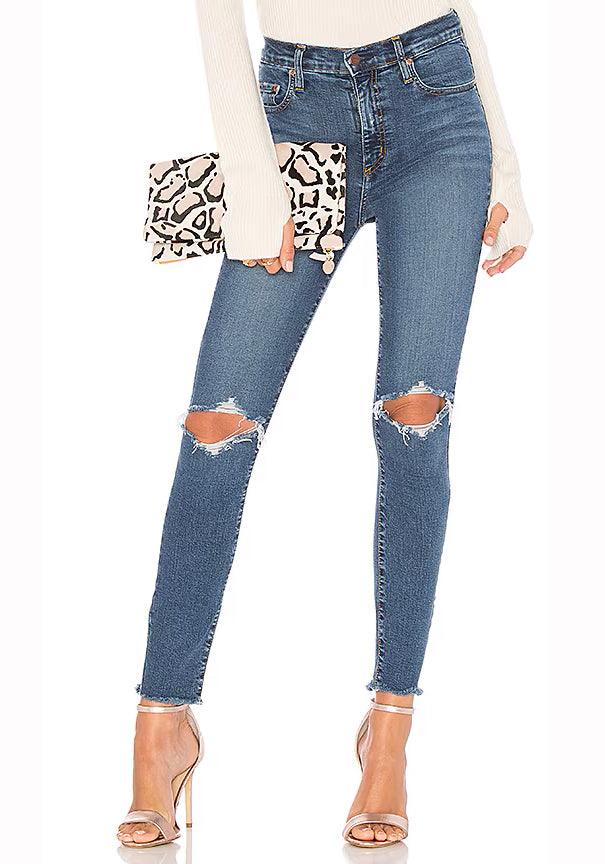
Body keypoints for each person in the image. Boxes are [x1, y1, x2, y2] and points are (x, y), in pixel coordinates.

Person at [118, 0, 531, 849]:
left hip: (440, 103)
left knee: (415, 420)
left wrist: (508, 170)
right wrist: (250, 174)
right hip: (296, 107)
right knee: (217, 426)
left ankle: (390, 732)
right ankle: (162, 727)